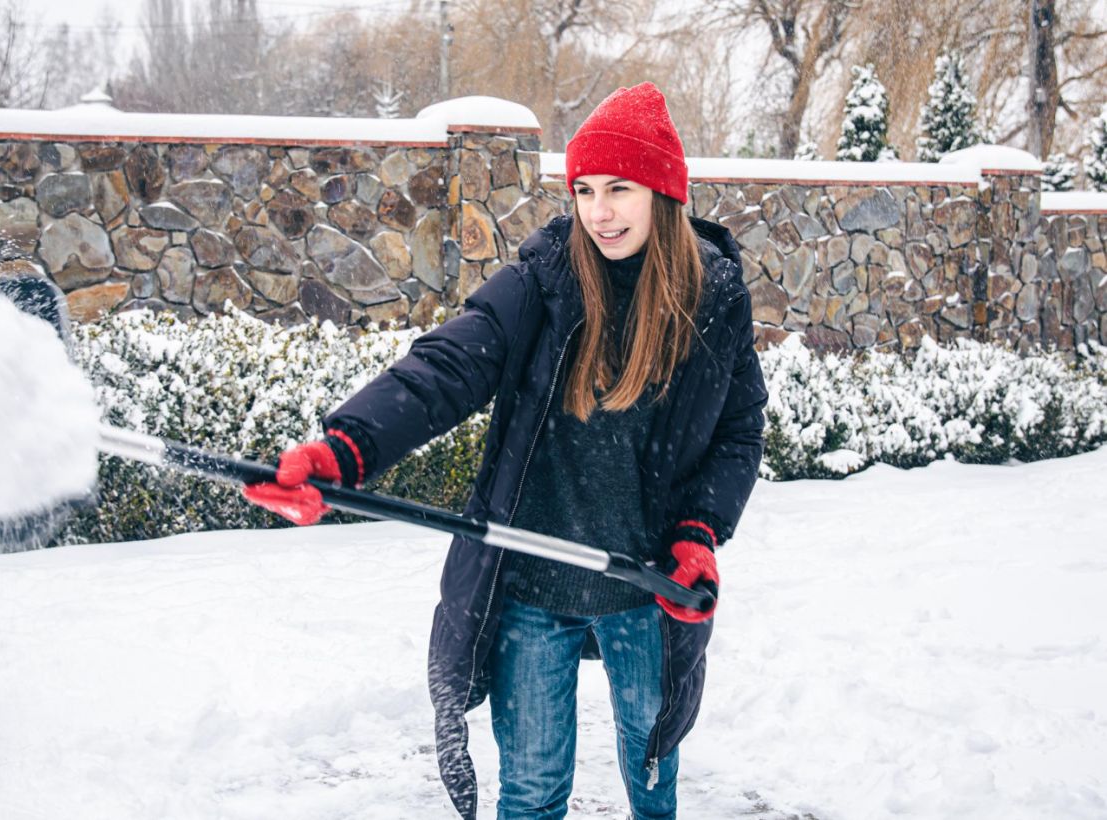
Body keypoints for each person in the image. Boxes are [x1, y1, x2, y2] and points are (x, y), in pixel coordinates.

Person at [243, 82, 767, 820]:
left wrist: (699, 533)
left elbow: (739, 431)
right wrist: (345, 451)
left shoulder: (711, 297)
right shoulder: (545, 280)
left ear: (664, 193)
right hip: (531, 585)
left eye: (620, 188)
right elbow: (446, 369)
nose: (599, 211)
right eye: (584, 189)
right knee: (530, 794)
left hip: (649, 585)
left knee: (653, 784)